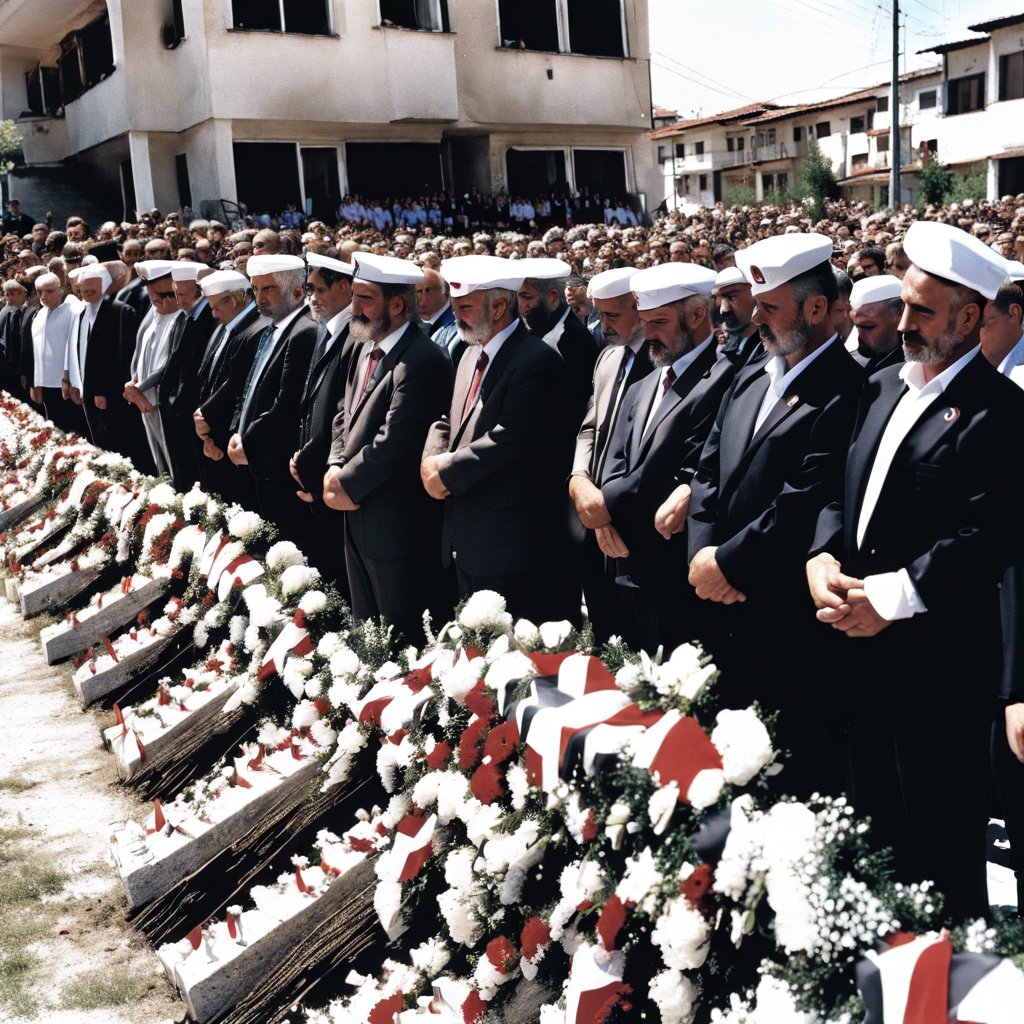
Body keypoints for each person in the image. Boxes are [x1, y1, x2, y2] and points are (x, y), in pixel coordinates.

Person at [806, 220, 1023, 922]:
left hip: (937, 669)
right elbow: (843, 493)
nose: (903, 324)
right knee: (871, 835)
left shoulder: (1002, 414)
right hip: (855, 651)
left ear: (969, 317)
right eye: (902, 305)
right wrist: (822, 556)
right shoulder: (881, 388)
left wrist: (892, 597)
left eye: (922, 311)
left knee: (937, 855)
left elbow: (989, 535)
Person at [687, 233, 863, 799]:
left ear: (816, 308)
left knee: (789, 776)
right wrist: (701, 554)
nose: (752, 317)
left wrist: (728, 565)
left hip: (782, 617)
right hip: (721, 603)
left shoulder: (847, 389)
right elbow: (708, 473)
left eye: (769, 306)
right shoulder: (751, 374)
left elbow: (804, 498)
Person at [422, 255, 576, 623]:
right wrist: (431, 458)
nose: (456, 314)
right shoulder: (469, 353)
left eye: (465, 306)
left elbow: (509, 440)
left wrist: (444, 474)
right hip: (468, 537)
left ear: (500, 305)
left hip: (510, 546)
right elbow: (447, 419)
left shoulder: (536, 360)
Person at [601, 263, 736, 654]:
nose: (648, 334)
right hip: (626, 565)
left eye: (659, 321)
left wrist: (600, 508)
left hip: (674, 573)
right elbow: (615, 460)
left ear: (697, 315)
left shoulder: (724, 378)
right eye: (644, 321)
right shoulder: (644, 383)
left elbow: (674, 473)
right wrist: (597, 505)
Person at [322, 253, 452, 642]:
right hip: (356, 512)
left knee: (400, 637)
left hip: (397, 525)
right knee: (369, 631)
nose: (354, 307)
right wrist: (334, 464)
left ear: (397, 305)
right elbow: (345, 410)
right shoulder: (363, 344)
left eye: (365, 298)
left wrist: (346, 482)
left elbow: (396, 440)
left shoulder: (422, 359)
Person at [569, 267, 652, 641]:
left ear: (639, 307)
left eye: (613, 315)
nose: (603, 325)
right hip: (591, 518)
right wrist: (578, 480)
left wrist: (606, 509)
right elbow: (590, 427)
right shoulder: (607, 358)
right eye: (599, 314)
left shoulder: (661, 363)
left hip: (633, 525)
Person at [227, 253, 317, 540]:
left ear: (297, 292)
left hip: (276, 462)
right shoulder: (271, 328)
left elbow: (286, 403)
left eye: (268, 289)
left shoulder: (304, 331)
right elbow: (249, 387)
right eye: (255, 289)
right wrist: (235, 431)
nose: (259, 297)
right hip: (255, 457)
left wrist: (248, 443)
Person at [291, 251, 356, 585]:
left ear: (344, 287)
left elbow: (339, 414)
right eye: (309, 289)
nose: (312, 297)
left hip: (332, 478)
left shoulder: (354, 335)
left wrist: (315, 471)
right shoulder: (325, 329)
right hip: (312, 476)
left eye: (319, 289)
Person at [193, 269, 268, 507]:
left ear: (235, 299)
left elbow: (236, 384)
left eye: (216, 308)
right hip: (213, 435)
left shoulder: (253, 327)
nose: (213, 314)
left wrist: (208, 419)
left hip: (229, 436)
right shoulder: (227, 325)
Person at [515, 256, 597, 432]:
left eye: (527, 297)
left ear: (552, 297)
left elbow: (575, 405)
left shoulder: (574, 339)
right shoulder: (537, 326)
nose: (521, 306)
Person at [158, 262, 216, 490]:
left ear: (198, 292)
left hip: (196, 407)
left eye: (183, 294)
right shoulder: (184, 317)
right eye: (176, 294)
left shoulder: (208, 320)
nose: (179, 300)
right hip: (179, 407)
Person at [66, 264, 138, 451]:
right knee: (97, 440)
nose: (87, 294)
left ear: (103, 286)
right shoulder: (82, 313)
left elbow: (121, 357)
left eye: (92, 290)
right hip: (86, 390)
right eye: (84, 290)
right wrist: (74, 382)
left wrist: (103, 390)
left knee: (115, 442)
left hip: (110, 394)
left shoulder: (121, 311)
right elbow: (79, 351)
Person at [124, 260, 179, 475]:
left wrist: (140, 390)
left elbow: (168, 363)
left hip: (162, 401)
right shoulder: (154, 313)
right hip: (143, 399)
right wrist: (133, 383)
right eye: (154, 297)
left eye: (166, 295)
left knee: (173, 461)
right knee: (159, 462)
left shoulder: (180, 317)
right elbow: (140, 352)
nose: (160, 302)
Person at [24, 272, 83, 433]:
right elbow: (36, 352)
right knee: (56, 430)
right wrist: (35, 382)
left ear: (60, 291)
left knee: (75, 431)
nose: (44, 296)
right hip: (46, 385)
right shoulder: (38, 315)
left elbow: (74, 349)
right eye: (40, 291)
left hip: (68, 385)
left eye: (49, 291)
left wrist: (70, 380)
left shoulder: (73, 312)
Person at [848, 275, 904, 375]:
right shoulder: (850, 365)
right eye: (856, 326)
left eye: (868, 327)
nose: (860, 336)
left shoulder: (919, 366)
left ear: (899, 314)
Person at [712, 266, 762, 367]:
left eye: (732, 297)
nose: (724, 309)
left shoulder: (771, 347)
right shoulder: (724, 347)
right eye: (721, 299)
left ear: (755, 295)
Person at [415, 267, 458, 350]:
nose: (419, 298)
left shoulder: (455, 326)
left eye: (427, 290)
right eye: (415, 292)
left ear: (445, 290)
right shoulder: (414, 322)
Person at [0, 278, 28, 397]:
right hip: (6, 365)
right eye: (7, 294)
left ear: (23, 293)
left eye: (12, 293)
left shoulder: (29, 311)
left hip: (20, 366)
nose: (9, 297)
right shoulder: (5, 311)